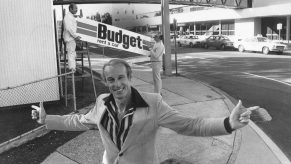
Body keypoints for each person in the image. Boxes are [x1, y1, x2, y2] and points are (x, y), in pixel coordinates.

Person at [31, 58, 259, 164]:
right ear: (105, 82)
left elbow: (190, 125)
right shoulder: (102, 101)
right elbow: (79, 121)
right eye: (111, 79)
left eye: (121, 77)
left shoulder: (153, 103)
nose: (116, 84)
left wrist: (228, 124)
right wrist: (46, 120)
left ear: (130, 78)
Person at [63, 3, 81, 71]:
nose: (76, 9)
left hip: (72, 39)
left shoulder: (71, 16)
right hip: (70, 39)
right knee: (71, 54)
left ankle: (73, 68)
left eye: (77, 8)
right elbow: (69, 28)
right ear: (70, 9)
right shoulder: (68, 17)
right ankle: (72, 69)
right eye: (75, 8)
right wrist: (76, 36)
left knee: (73, 54)